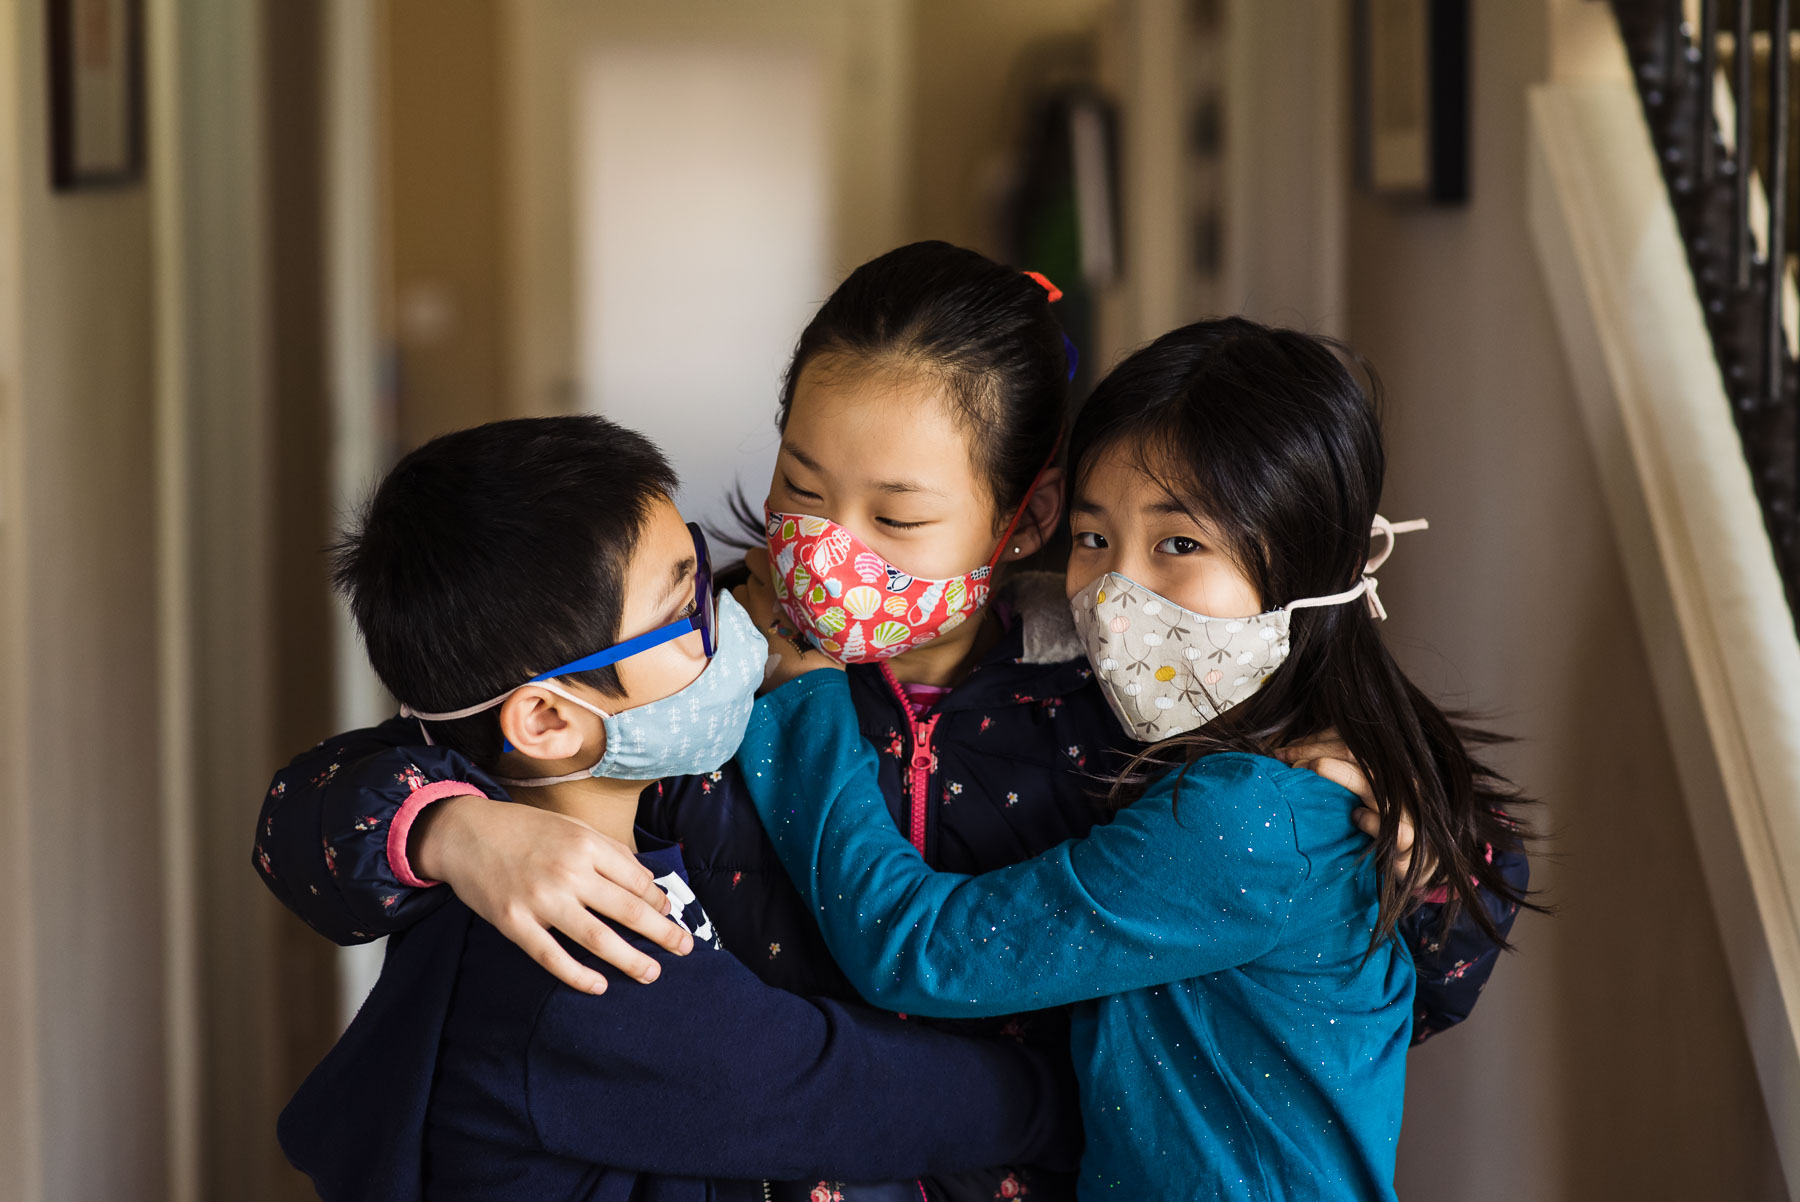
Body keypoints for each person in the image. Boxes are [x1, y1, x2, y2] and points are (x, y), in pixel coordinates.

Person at [254, 245, 1520, 1198]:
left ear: (1022, 519)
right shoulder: (700, 661)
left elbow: (1430, 966)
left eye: (897, 516)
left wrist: (1398, 849)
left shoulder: (1129, 704)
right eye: (802, 483)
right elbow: (321, 808)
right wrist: (454, 833)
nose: (827, 545)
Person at [734, 318, 1536, 1201]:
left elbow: (921, 950)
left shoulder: (1250, 819)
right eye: (1092, 540)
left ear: (1315, 559)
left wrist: (802, 701)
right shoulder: (1289, 782)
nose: (1118, 595)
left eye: (1178, 544)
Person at [278, 415, 1081, 1202]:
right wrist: (1068, 1093)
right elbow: (820, 1087)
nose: (733, 617)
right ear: (549, 721)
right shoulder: (576, 958)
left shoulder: (605, 834)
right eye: (682, 611)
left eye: (700, 570)